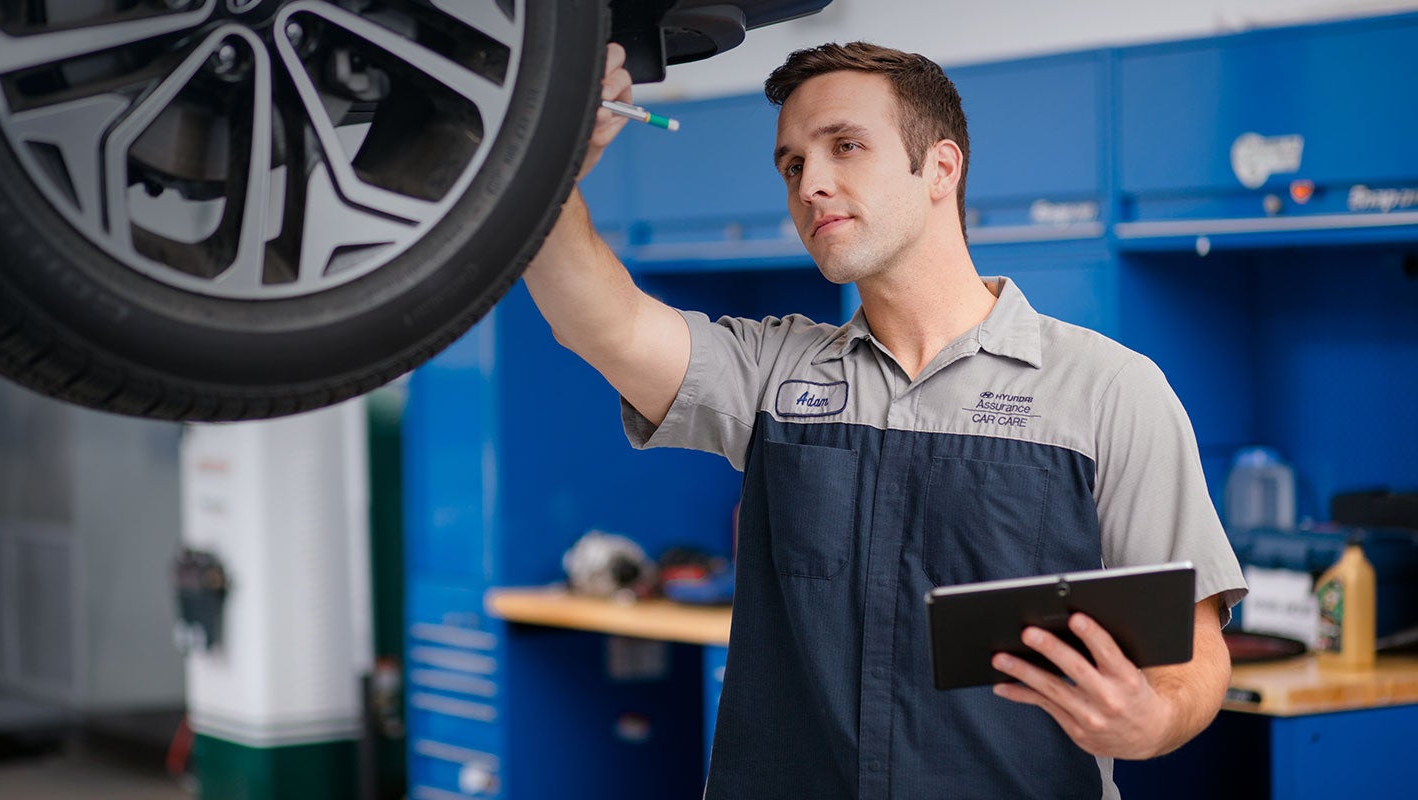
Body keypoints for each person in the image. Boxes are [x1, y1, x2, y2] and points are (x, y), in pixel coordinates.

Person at [524, 40, 1248, 799]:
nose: (812, 184)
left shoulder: (1106, 393)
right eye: (793, 165)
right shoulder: (776, 373)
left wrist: (1150, 719)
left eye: (845, 146)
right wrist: (543, 161)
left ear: (941, 168)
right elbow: (599, 324)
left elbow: (1195, 653)